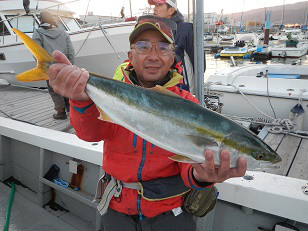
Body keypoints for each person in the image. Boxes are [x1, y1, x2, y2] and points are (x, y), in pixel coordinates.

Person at [48, 15, 246, 231]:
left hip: (169, 213)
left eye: (162, 48)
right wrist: (80, 101)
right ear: (130, 56)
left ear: (172, 58)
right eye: (143, 47)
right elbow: (90, 134)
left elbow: (187, 162)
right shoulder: (112, 93)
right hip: (117, 207)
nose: (153, 56)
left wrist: (201, 176)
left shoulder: (187, 104)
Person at [148, 0, 203, 95]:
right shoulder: (157, 30)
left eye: (159, 5)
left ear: (171, 10)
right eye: (155, 5)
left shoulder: (186, 29)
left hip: (185, 93)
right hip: (166, 91)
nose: (155, 8)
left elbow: (200, 64)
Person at [32, 11, 75, 120]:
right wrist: (70, 65)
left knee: (54, 89)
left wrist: (42, 67)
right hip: (65, 67)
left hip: (49, 69)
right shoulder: (63, 33)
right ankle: (70, 109)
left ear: (40, 20)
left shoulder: (38, 33)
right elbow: (71, 51)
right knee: (66, 87)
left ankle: (60, 112)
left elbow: (36, 52)